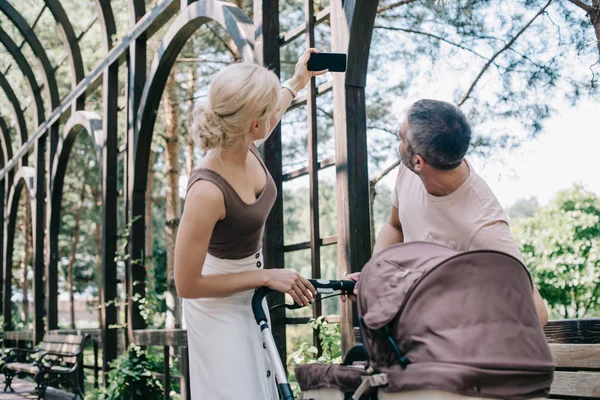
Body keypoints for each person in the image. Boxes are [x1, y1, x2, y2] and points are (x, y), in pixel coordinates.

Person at [174, 49, 327, 399]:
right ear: (255, 124)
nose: (275, 113)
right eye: (268, 110)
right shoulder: (207, 191)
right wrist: (266, 276)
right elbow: (187, 284)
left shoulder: (246, 142)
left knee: (262, 385)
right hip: (213, 299)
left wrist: (297, 80)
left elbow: (277, 108)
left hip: (249, 289)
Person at [344, 99, 548, 326]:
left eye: (400, 138)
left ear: (418, 161)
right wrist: (376, 274)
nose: (398, 143)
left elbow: (536, 313)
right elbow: (395, 226)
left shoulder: (483, 227)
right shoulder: (409, 170)